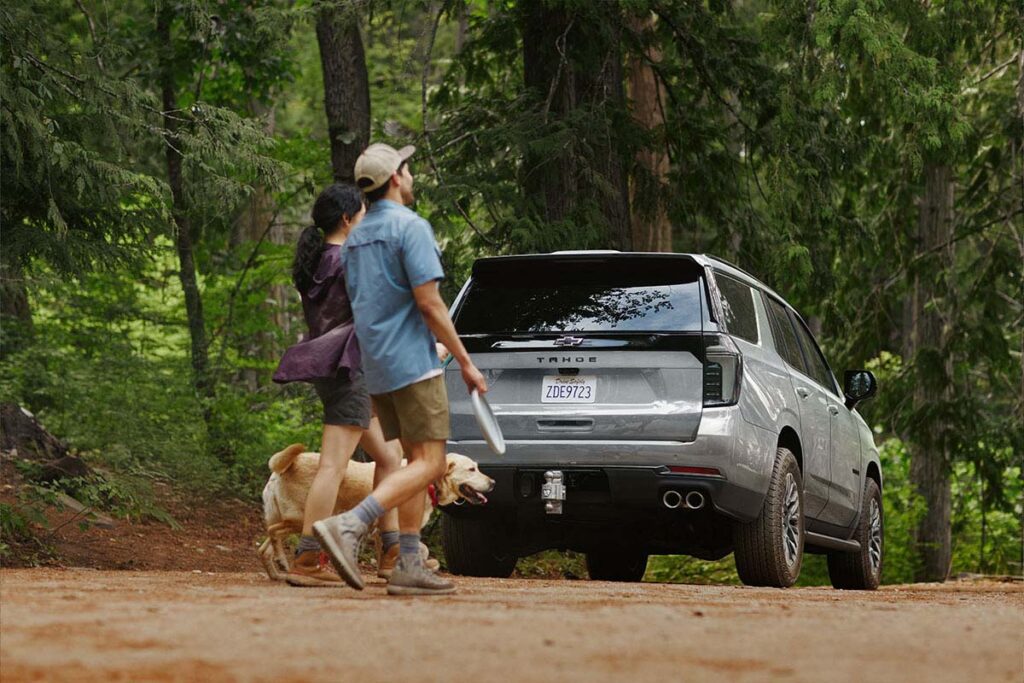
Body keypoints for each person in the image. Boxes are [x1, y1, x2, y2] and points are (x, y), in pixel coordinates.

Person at [314, 143, 487, 596]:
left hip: (376, 365)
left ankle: (409, 561)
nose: (411, 177)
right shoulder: (410, 227)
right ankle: (350, 525)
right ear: (396, 177)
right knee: (430, 464)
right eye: (407, 169)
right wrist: (465, 361)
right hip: (413, 361)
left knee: (413, 462)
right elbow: (429, 303)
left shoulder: (357, 237)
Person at [272, 183, 402, 587]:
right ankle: (308, 559)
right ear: (347, 220)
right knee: (333, 466)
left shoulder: (317, 261)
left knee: (390, 458)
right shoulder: (349, 260)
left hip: (334, 370)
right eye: (363, 213)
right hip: (350, 371)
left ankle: (391, 554)